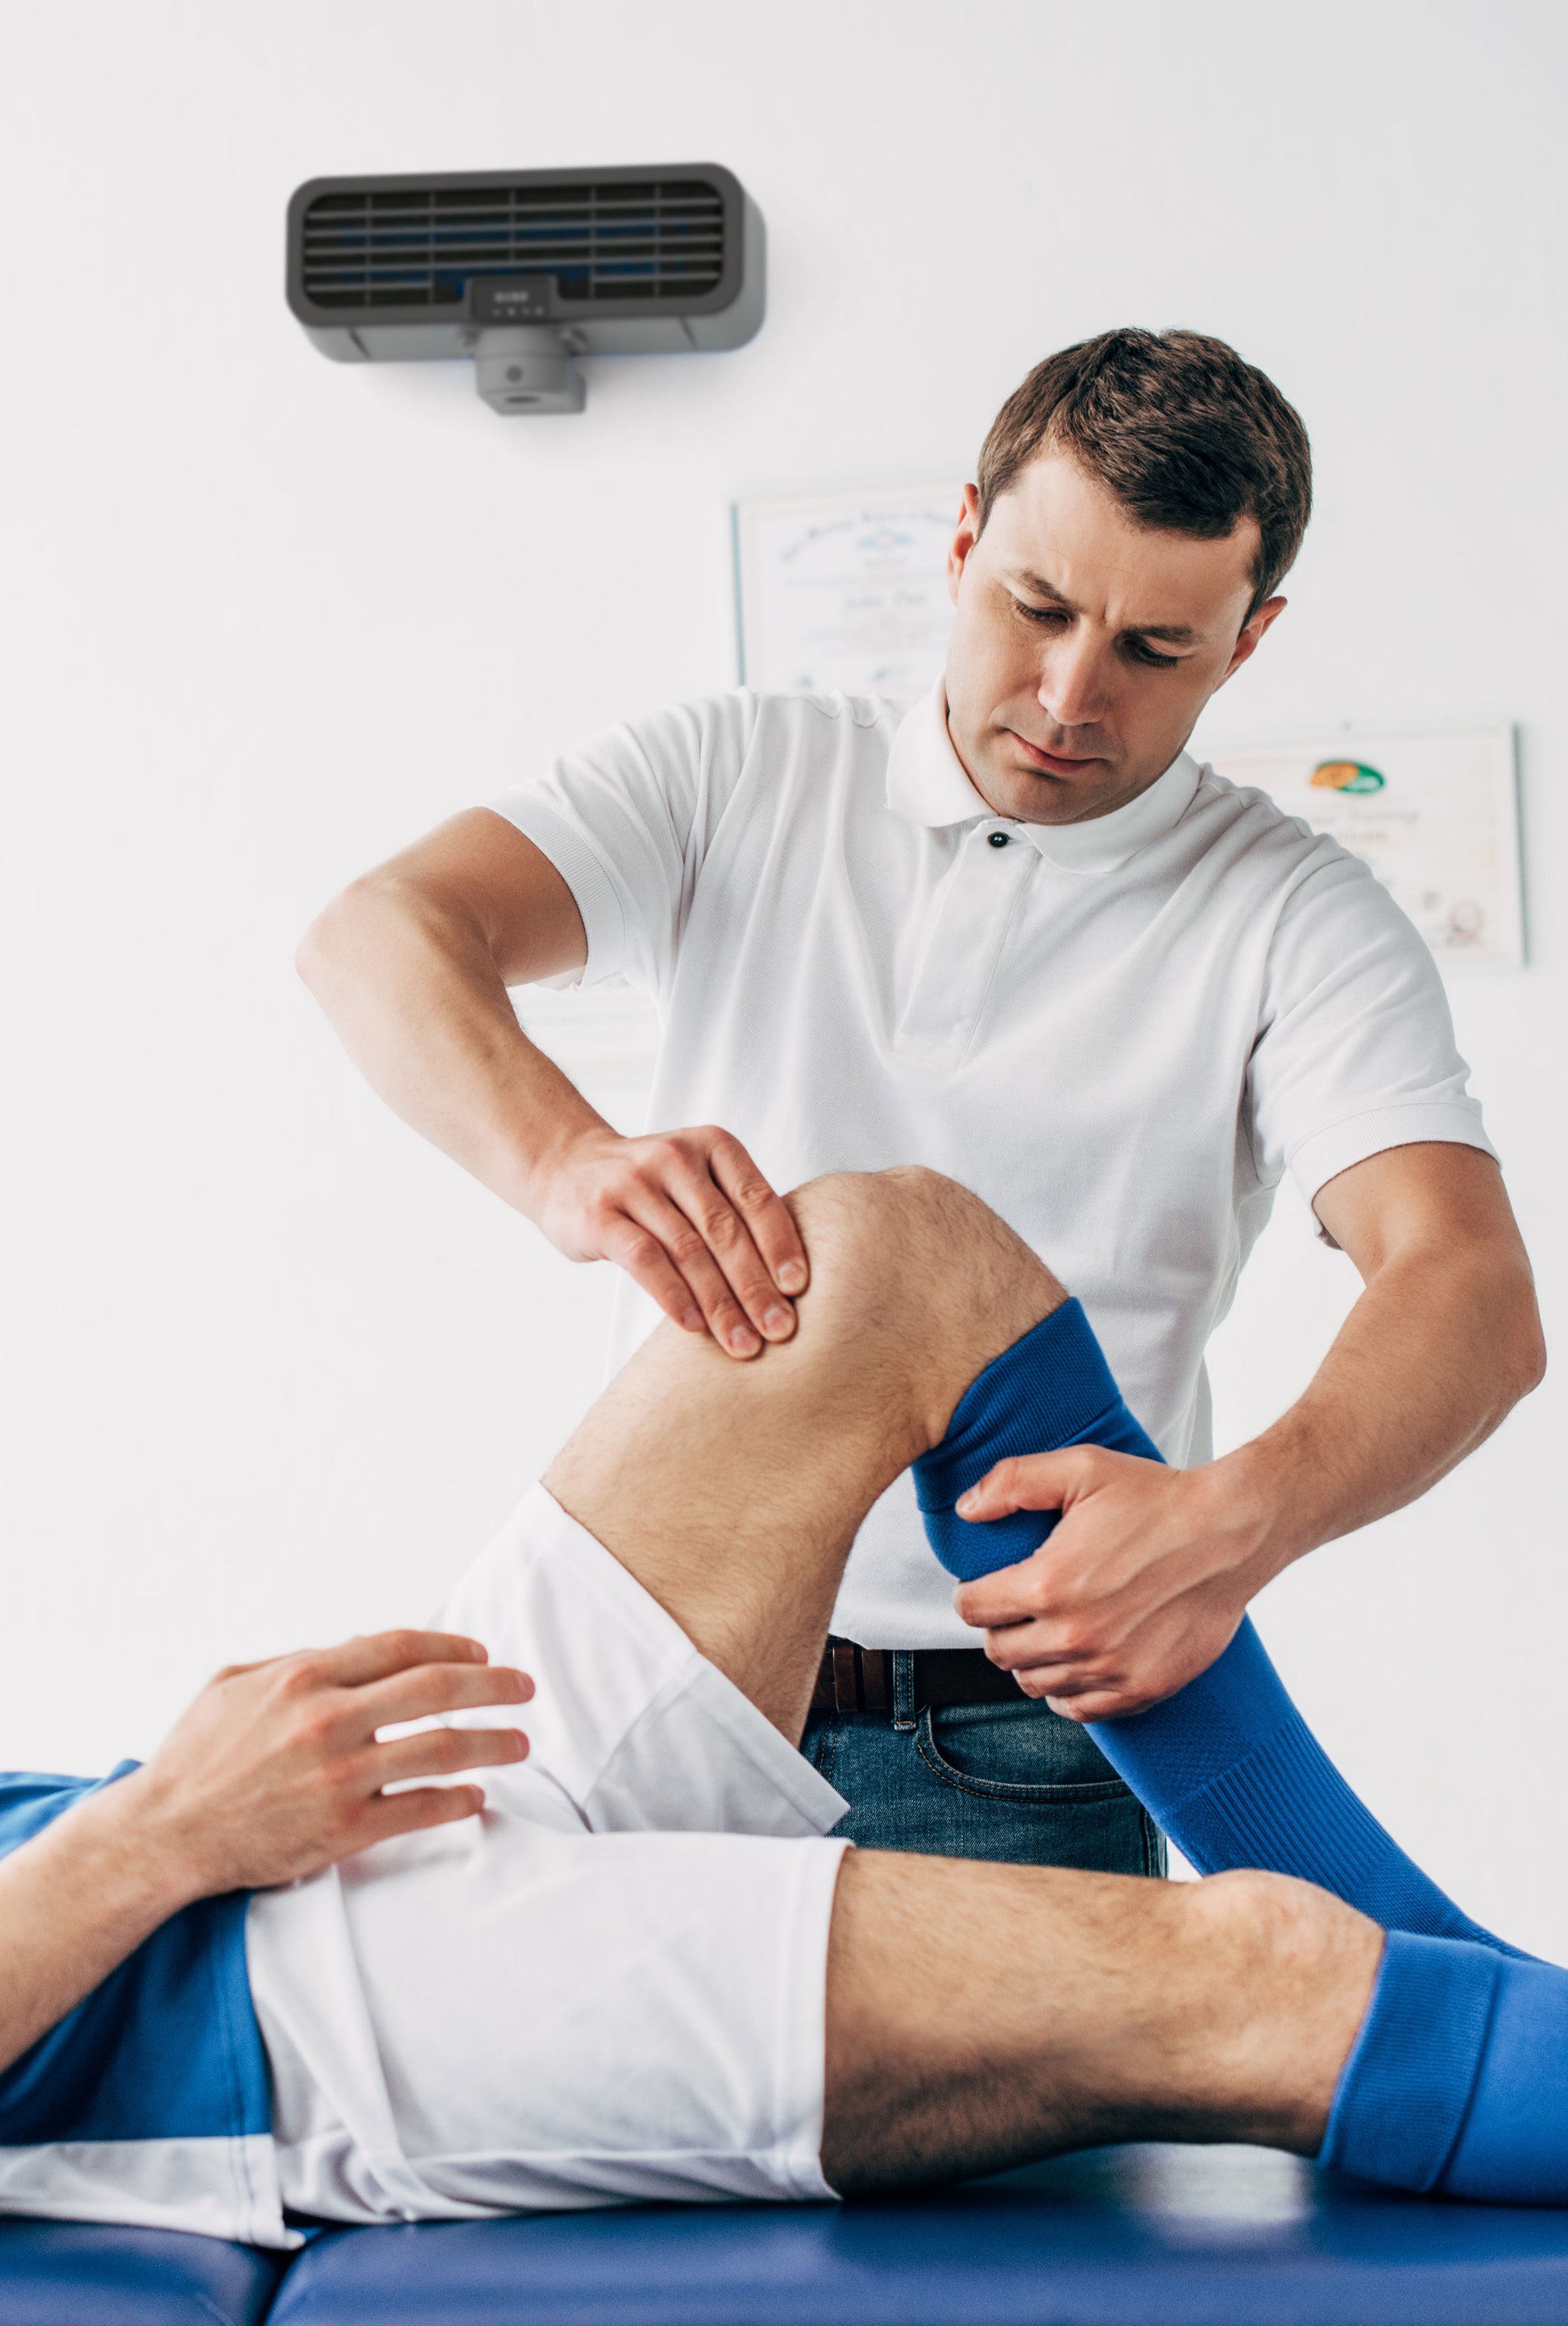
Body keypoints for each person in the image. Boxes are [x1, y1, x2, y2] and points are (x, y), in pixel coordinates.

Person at [296, 327, 1543, 1879]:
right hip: (653, 1686)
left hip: (1017, 1742)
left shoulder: (1294, 913)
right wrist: (564, 1159)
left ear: (1249, 640)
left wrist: (1241, 1521)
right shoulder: (742, 772)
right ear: (960, 542)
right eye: (1035, 607)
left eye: (1157, 651)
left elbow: (1468, 1291)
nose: (1071, 695)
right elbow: (381, 931)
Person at [0, 1170, 1556, 2245]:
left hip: (303, 1829)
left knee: (895, 1259)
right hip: (256, 2033)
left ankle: (1452, 1972)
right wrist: (157, 1835)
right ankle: (1451, 2008)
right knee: (1267, 1981)